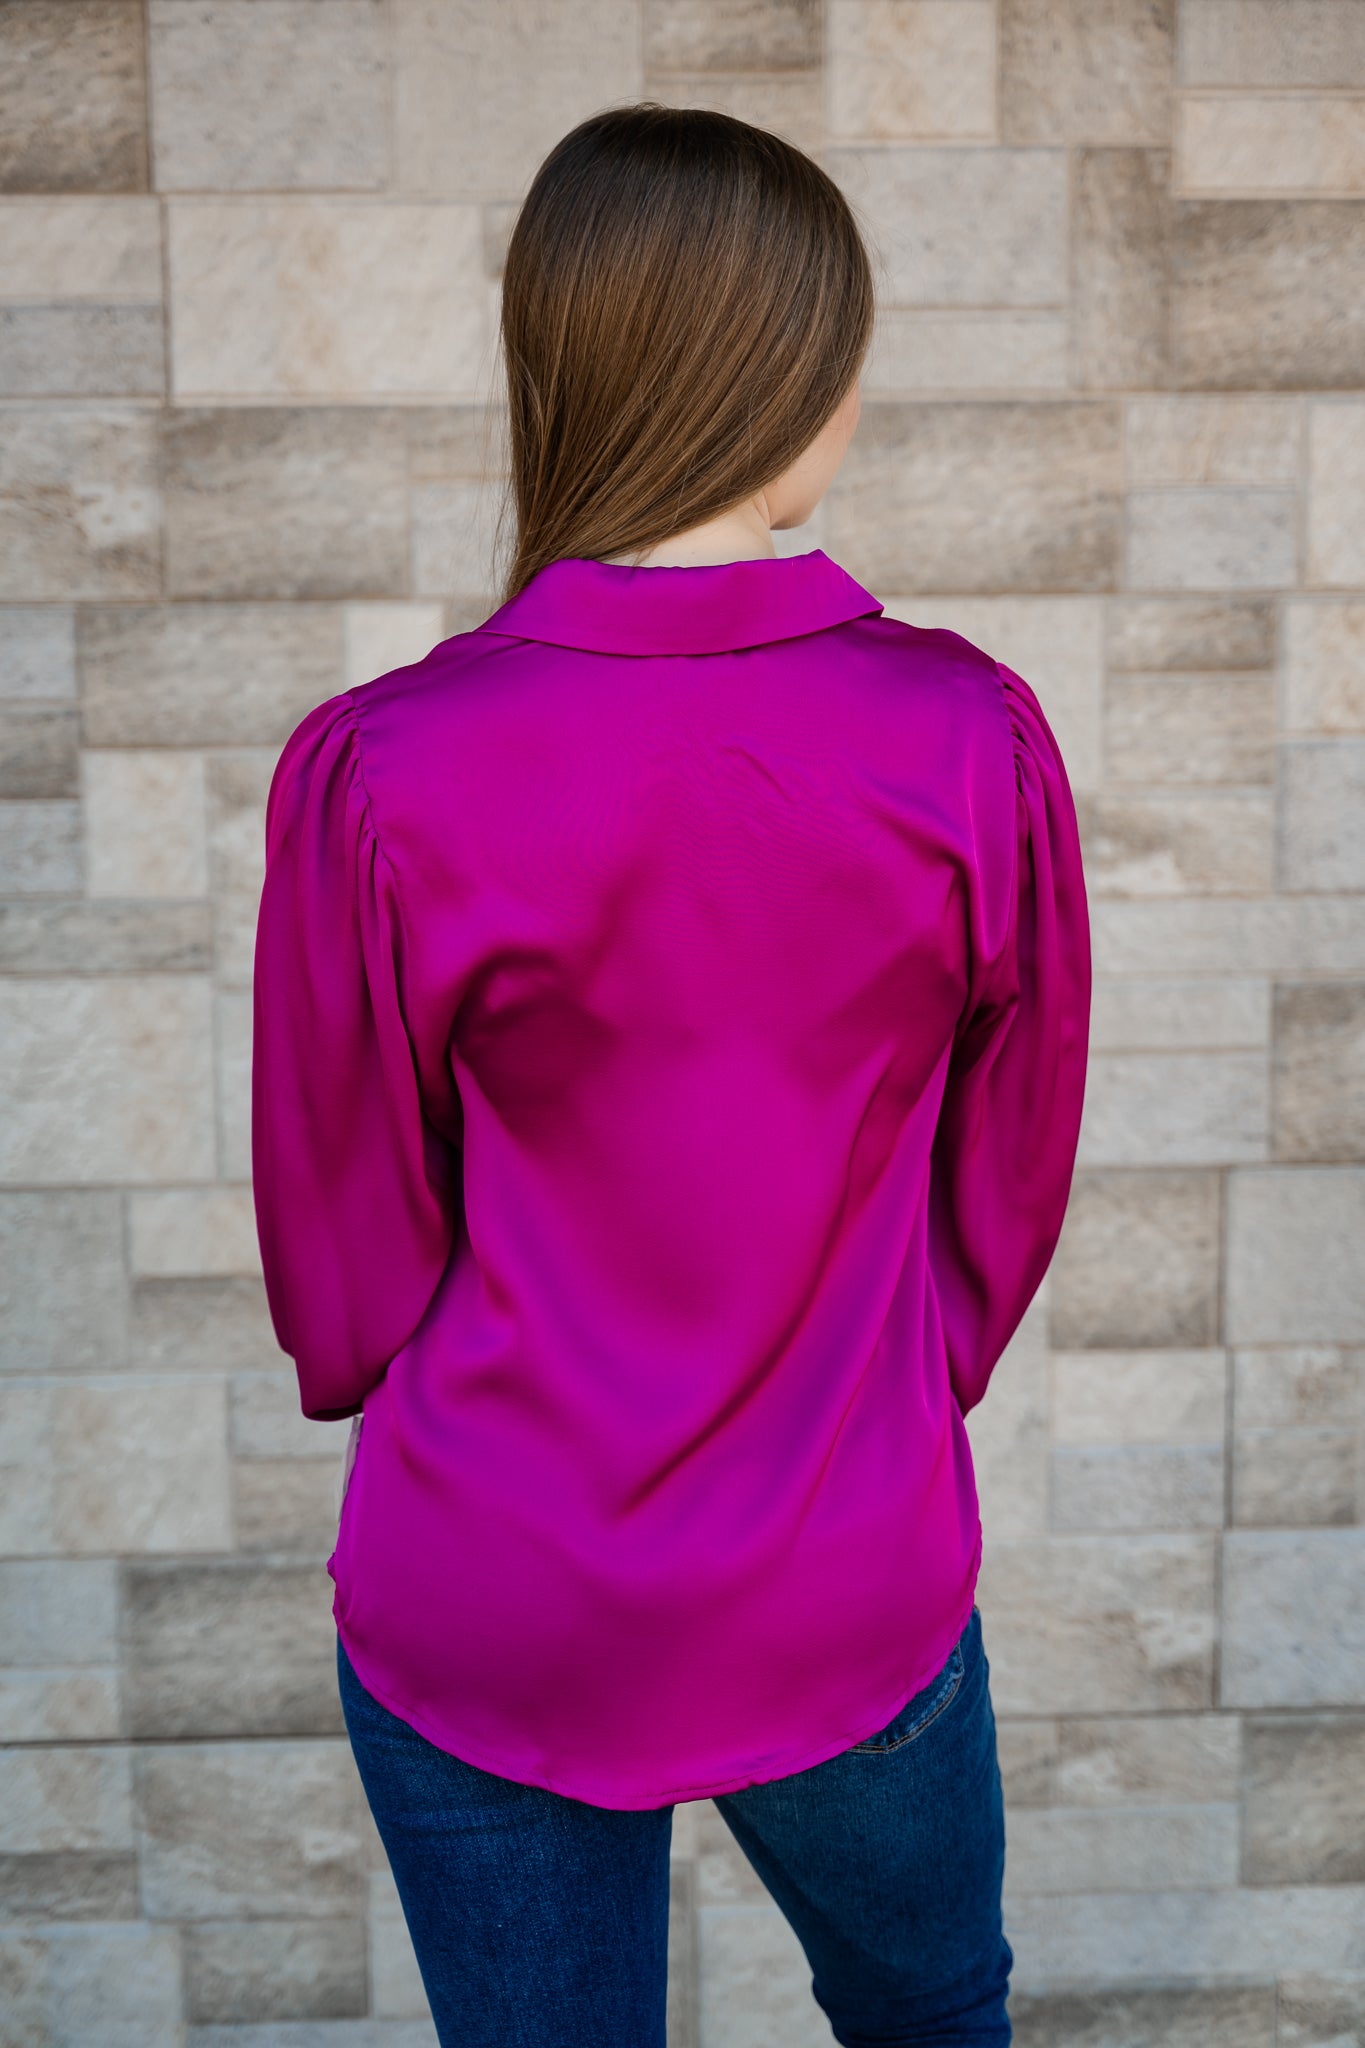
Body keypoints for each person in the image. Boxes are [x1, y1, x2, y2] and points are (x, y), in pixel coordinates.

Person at [251, 101, 1091, 2048]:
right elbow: (1006, 1176)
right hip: (842, 1558)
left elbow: (347, 1266)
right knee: (931, 2018)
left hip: (493, 1577)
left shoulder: (379, 768)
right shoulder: (964, 738)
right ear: (786, 374)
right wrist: (884, 1391)